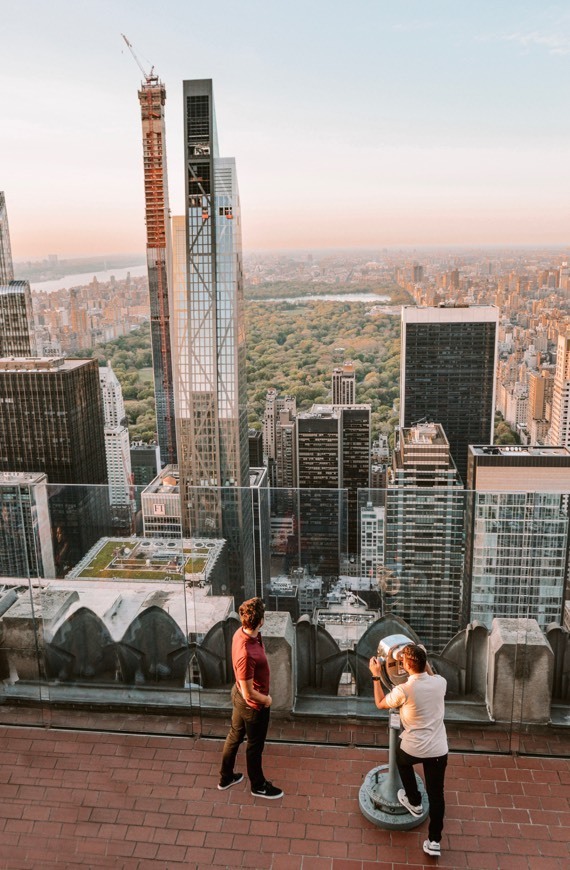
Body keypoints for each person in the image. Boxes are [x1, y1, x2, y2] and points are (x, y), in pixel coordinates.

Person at [369, 643, 448, 858]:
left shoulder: (403, 690)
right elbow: (429, 675)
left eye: (402, 661)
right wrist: (421, 656)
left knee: (401, 761)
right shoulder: (441, 683)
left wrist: (376, 675)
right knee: (436, 796)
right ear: (425, 663)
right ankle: (434, 841)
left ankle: (414, 801)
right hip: (439, 750)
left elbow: (380, 703)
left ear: (406, 665)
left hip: (413, 748)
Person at [218, 597, 284, 799]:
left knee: (234, 736)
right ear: (261, 621)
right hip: (252, 705)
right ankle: (258, 785)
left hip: (238, 695)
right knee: (255, 747)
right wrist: (266, 701)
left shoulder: (241, 633)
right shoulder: (247, 653)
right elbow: (249, 693)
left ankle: (226, 777)